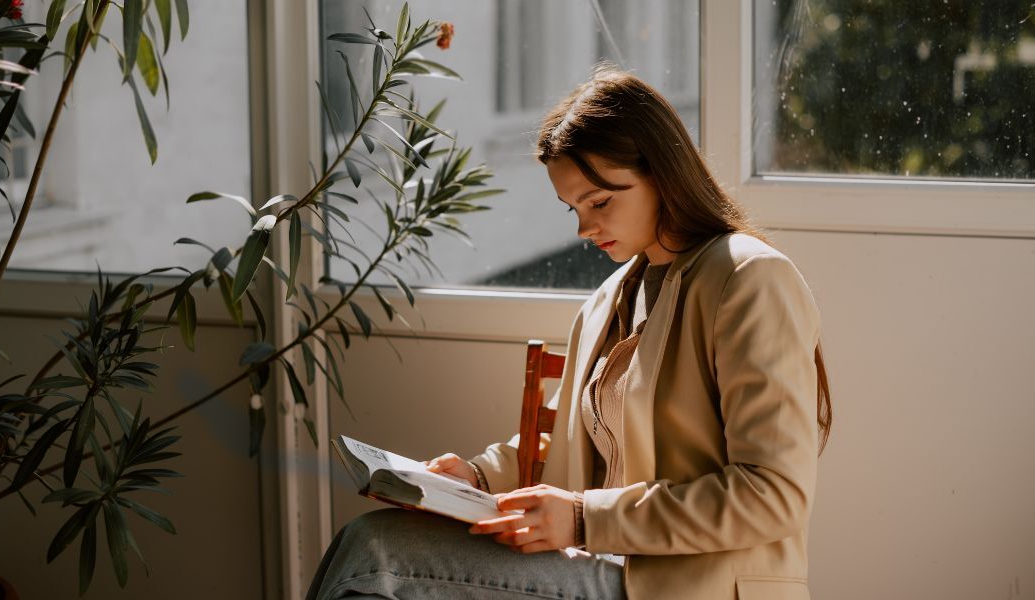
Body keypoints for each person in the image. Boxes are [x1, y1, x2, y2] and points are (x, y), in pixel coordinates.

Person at [307, 66, 832, 600]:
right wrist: (476, 477)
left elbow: (775, 494)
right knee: (374, 542)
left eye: (600, 201)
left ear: (664, 174)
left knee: (374, 556)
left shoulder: (749, 279)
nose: (584, 229)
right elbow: (561, 440)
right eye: (573, 208)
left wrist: (583, 519)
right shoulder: (612, 297)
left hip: (689, 583)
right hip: (601, 565)